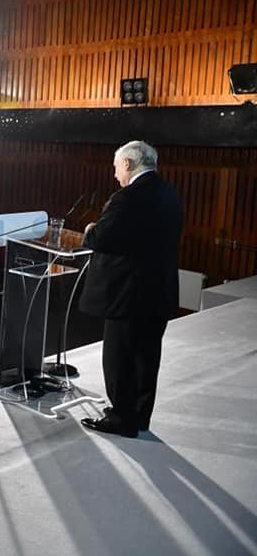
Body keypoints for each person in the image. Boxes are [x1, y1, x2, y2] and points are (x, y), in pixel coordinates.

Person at [79, 141, 183, 438]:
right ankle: (138, 417)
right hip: (159, 291)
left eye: (116, 167)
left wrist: (89, 230)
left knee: (119, 358)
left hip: (127, 295)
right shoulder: (169, 193)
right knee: (146, 357)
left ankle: (121, 419)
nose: (115, 175)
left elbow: (102, 238)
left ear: (127, 163)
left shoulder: (127, 198)